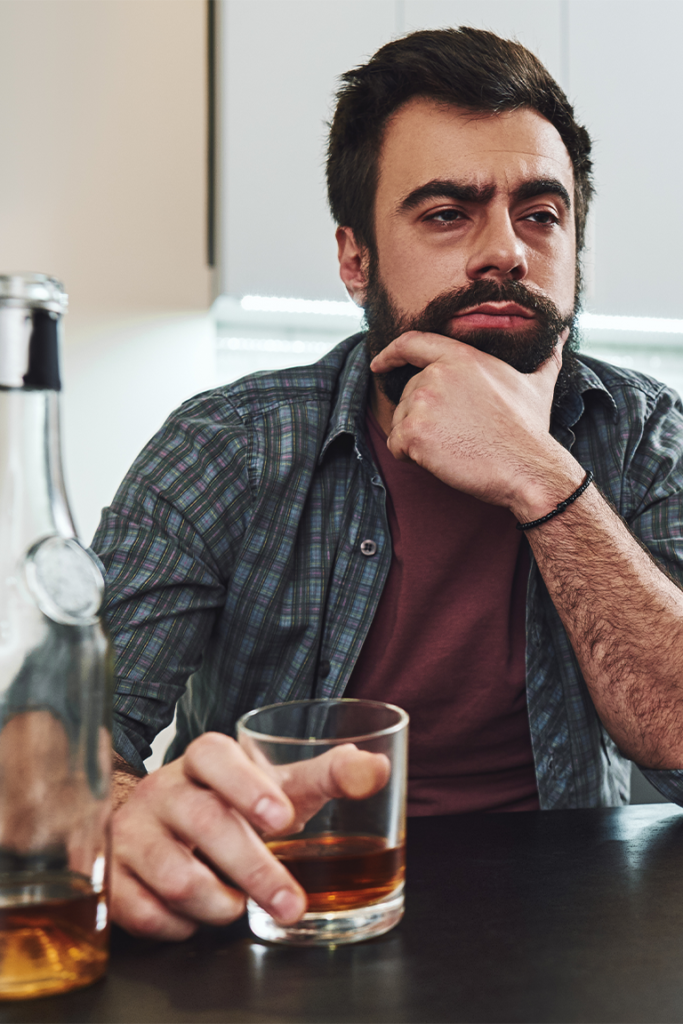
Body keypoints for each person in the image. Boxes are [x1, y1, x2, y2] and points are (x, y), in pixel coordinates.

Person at [93, 27, 683, 940]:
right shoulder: (225, 447)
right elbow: (72, 739)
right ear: (354, 258)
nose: (507, 253)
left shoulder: (644, 435)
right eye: (447, 213)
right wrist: (120, 814)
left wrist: (539, 478)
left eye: (541, 213)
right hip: (285, 912)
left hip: (565, 927)